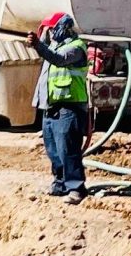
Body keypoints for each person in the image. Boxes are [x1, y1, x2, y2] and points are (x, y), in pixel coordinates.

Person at [34, 10, 90, 203]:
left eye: (51, 29)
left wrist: (38, 45)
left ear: (62, 28)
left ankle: (76, 188)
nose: (48, 33)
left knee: (68, 150)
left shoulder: (75, 48)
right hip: (51, 106)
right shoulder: (52, 47)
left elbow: (59, 59)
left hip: (69, 107)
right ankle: (59, 184)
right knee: (53, 150)